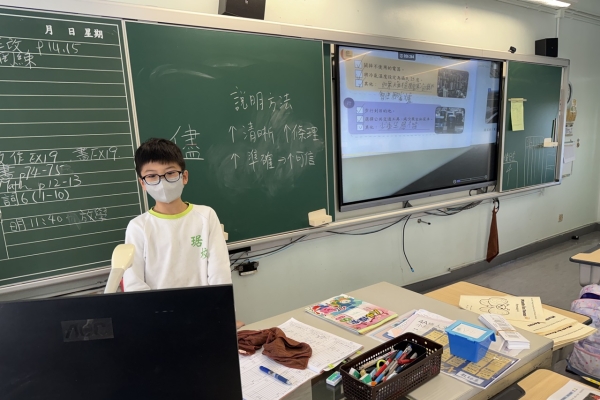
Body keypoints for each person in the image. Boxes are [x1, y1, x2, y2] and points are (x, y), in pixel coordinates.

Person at [123, 138, 244, 328]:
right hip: (160, 323)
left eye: (170, 173)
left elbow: (219, 274)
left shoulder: (206, 216)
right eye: (152, 176)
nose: (162, 182)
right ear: (143, 183)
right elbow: (134, 284)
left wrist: (224, 317)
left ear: (184, 176)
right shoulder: (138, 227)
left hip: (206, 317)